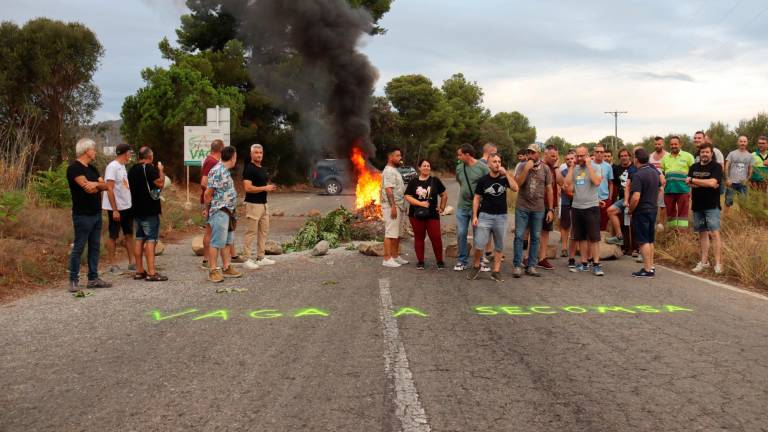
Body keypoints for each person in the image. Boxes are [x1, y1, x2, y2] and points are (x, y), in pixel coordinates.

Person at [66, 138, 111, 292]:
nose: (95, 151)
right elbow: (88, 189)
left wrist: (96, 184)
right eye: (93, 149)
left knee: (95, 247)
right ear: (86, 150)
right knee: (79, 247)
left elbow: (106, 186)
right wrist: (97, 185)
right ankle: (73, 280)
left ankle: (93, 278)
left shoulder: (92, 168)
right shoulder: (74, 168)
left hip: (96, 213)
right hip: (83, 215)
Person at [467, 153, 519, 281]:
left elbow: (515, 188)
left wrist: (506, 173)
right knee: (479, 244)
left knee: (499, 246)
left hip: (501, 216)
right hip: (485, 216)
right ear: (489, 164)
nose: (497, 164)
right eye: (494, 161)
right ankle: (476, 265)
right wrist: (475, 215)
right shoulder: (483, 180)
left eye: (499, 161)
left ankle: (496, 271)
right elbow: (477, 198)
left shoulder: (504, 178)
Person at [512, 143, 554, 278]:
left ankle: (531, 266)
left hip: (538, 208)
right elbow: (517, 185)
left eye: (533, 152)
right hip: (522, 207)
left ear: (539, 154)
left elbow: (549, 189)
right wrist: (526, 169)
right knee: (519, 236)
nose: (530, 155)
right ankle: (517, 265)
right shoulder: (522, 166)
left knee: (536, 237)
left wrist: (551, 209)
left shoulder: (546, 169)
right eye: (528, 152)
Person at [128, 146, 168, 282]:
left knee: (139, 239)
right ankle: (151, 272)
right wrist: (161, 171)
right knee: (151, 240)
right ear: (150, 157)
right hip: (149, 210)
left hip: (136, 209)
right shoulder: (150, 168)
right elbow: (160, 184)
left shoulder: (132, 170)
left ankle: (139, 270)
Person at [203, 146, 243, 282]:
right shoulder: (217, 170)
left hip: (229, 212)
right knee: (216, 242)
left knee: (227, 241)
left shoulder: (225, 171)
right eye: (236, 156)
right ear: (232, 157)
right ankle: (213, 270)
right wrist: (208, 210)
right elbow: (208, 193)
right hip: (220, 211)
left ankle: (227, 267)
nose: (236, 159)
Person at [565, 145, 604, 276]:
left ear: (587, 156)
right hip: (577, 207)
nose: (580, 158)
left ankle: (597, 265)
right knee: (580, 237)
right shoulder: (575, 169)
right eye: (578, 156)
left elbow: (597, 182)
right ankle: (584, 263)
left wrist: (589, 166)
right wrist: (571, 168)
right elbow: (568, 187)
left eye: (582, 155)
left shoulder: (596, 167)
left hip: (591, 207)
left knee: (594, 238)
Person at [686, 143, 724, 275]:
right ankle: (704, 262)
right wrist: (705, 182)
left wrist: (694, 180)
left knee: (714, 233)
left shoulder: (716, 167)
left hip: (712, 205)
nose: (705, 154)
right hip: (697, 205)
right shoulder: (693, 167)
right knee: (702, 233)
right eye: (702, 152)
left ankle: (718, 264)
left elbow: (713, 183)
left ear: (711, 153)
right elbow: (690, 184)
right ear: (699, 154)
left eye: (707, 152)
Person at [405, 159, 448, 270]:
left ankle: (439, 261)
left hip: (432, 214)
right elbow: (407, 196)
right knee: (419, 237)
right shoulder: (413, 182)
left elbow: (444, 195)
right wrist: (421, 203)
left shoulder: (435, 181)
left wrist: (442, 208)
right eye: (424, 166)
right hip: (416, 214)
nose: (426, 168)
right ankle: (420, 261)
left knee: (436, 237)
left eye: (428, 166)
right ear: (419, 168)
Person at [454, 144, 489, 271]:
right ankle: (462, 260)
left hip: (478, 207)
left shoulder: (483, 168)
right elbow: (460, 181)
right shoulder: (459, 167)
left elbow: (488, 184)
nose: (458, 157)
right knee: (461, 232)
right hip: (462, 206)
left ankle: (479, 260)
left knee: (479, 234)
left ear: (467, 154)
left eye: (460, 154)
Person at [242, 144, 277, 270]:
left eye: (261, 152)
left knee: (263, 232)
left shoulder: (262, 168)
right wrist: (265, 188)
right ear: (251, 154)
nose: (259, 155)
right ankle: (246, 259)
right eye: (256, 152)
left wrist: (269, 188)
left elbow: (262, 185)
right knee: (251, 232)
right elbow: (247, 188)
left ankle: (260, 257)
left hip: (264, 204)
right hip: (253, 205)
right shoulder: (249, 169)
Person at [102, 143, 135, 274]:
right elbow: (109, 188)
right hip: (115, 208)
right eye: (130, 152)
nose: (130, 155)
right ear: (125, 153)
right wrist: (114, 209)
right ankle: (113, 264)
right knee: (113, 235)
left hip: (126, 206)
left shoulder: (123, 166)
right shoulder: (112, 167)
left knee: (128, 234)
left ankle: (132, 262)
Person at [627, 149, 660, 278]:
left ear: (636, 159)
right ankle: (650, 266)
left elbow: (635, 197)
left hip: (642, 210)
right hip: (653, 208)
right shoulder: (654, 173)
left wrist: (630, 210)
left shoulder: (638, 175)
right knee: (650, 239)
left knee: (643, 240)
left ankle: (647, 270)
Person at [381, 147, 408, 268]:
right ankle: (387, 258)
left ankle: (395, 256)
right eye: (397, 155)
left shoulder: (394, 170)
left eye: (400, 155)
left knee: (397, 233)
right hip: (392, 205)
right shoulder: (388, 171)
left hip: (399, 205)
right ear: (390, 157)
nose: (400, 158)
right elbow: (388, 190)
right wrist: (392, 206)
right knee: (390, 232)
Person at [661, 136, 695, 229]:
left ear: (680, 144)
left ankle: (682, 235)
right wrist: (662, 178)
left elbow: (693, 171)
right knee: (670, 213)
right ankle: (672, 233)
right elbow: (662, 172)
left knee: (683, 215)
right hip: (669, 190)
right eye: (672, 144)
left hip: (683, 189)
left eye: (675, 144)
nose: (673, 146)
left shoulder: (688, 156)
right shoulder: (665, 158)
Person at [605, 148, 637, 249]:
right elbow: (612, 183)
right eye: (622, 156)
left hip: (634, 198)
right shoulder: (616, 169)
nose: (624, 158)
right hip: (622, 199)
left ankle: (636, 249)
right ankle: (620, 239)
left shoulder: (635, 168)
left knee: (633, 224)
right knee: (613, 213)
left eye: (625, 155)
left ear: (629, 156)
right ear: (619, 158)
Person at [536, 145, 560, 270]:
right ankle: (528, 257)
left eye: (556, 156)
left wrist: (556, 167)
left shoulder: (553, 168)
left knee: (545, 232)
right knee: (534, 232)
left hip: (550, 205)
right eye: (552, 156)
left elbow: (561, 183)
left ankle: (542, 258)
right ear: (545, 155)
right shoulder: (539, 166)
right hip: (538, 204)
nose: (555, 158)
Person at [200, 140, 222, 269]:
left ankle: (206, 260)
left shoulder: (209, 160)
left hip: (209, 200)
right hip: (210, 201)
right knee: (209, 231)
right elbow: (204, 182)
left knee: (210, 230)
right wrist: (210, 195)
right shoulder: (212, 162)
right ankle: (207, 260)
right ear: (221, 149)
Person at [724, 136, 753, 208]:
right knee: (728, 202)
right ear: (737, 142)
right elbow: (726, 166)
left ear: (747, 143)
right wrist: (727, 178)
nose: (742, 143)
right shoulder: (732, 153)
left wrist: (747, 180)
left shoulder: (750, 156)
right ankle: (725, 219)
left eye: (744, 141)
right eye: (741, 141)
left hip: (743, 183)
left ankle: (743, 219)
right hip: (731, 183)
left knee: (743, 204)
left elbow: (750, 169)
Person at [558, 151, 576, 266]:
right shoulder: (563, 172)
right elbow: (564, 187)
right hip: (565, 201)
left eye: (572, 158)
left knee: (576, 225)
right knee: (565, 225)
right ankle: (564, 248)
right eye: (568, 159)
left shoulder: (581, 171)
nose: (570, 161)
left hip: (578, 201)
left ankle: (575, 248)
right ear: (565, 161)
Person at [592, 144, 614, 231]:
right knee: (592, 224)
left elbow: (610, 183)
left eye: (601, 152)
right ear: (594, 153)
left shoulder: (608, 167)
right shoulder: (589, 165)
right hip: (591, 199)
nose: (599, 154)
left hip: (604, 199)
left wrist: (610, 198)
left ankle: (600, 244)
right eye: (597, 152)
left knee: (603, 225)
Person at [649, 136, 668, 230]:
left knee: (662, 204)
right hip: (653, 185)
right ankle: (653, 222)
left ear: (663, 144)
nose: (657, 146)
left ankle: (661, 224)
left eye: (659, 144)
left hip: (664, 184)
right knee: (653, 204)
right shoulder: (650, 156)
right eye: (656, 144)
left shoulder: (668, 155)